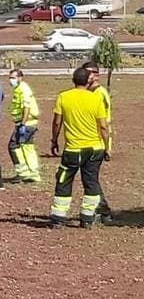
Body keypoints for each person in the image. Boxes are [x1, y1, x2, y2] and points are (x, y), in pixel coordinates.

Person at [49, 66, 111, 228]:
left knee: (64, 180)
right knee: (91, 181)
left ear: (73, 80)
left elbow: (57, 122)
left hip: (73, 149)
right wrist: (107, 147)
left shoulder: (63, 97)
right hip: (95, 148)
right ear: (88, 81)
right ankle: (87, 218)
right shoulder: (95, 98)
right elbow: (103, 126)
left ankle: (58, 217)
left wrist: (54, 140)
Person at [80, 61, 114, 220]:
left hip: (97, 141)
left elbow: (103, 123)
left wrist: (107, 147)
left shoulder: (99, 93)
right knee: (89, 178)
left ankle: (103, 211)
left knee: (90, 178)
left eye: (92, 72)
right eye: (86, 72)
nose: (89, 75)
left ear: (97, 75)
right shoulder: (88, 91)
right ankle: (99, 209)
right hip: (87, 139)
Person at [7, 69, 42, 183]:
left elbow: (27, 107)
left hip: (26, 124)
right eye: (10, 78)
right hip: (27, 123)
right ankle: (33, 173)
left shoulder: (23, 89)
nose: (11, 80)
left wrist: (23, 123)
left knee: (13, 146)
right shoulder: (19, 88)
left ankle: (23, 172)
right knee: (27, 147)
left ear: (20, 78)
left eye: (13, 78)